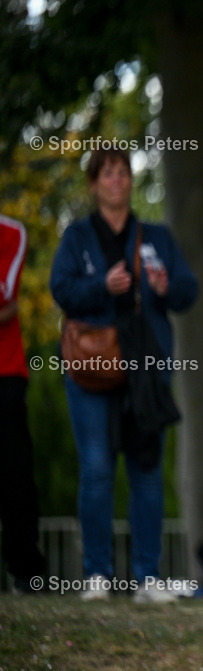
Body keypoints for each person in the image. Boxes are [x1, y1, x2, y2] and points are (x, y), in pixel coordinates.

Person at [49, 149, 198, 602]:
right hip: (91, 371)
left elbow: (188, 290)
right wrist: (102, 286)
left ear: (130, 182)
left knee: (147, 472)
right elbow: (61, 290)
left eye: (123, 173)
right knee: (96, 470)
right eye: (107, 174)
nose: (117, 181)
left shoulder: (155, 235)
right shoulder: (76, 237)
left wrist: (164, 287)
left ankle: (147, 578)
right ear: (94, 184)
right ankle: (96, 575)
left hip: (145, 372)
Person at [0, 213, 47, 594]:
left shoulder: (12, 233)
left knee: (14, 472)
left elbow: (6, 296)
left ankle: (27, 569)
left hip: (6, 372)